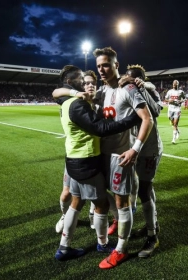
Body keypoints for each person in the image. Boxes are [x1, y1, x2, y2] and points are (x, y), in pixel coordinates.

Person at [53, 65, 140, 262]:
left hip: (74, 159)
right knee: (100, 204)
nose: (83, 81)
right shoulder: (76, 104)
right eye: (79, 79)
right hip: (86, 161)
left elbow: (56, 92)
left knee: (76, 203)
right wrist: (130, 120)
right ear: (70, 82)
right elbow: (100, 128)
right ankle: (102, 244)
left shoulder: (65, 102)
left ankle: (64, 247)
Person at [93, 47, 154, 269]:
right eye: (99, 65)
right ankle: (119, 228)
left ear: (116, 65)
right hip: (103, 154)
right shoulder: (103, 91)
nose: (102, 69)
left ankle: (121, 249)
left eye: (106, 64)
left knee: (121, 202)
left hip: (121, 155)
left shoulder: (127, 87)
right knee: (106, 197)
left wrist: (135, 149)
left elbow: (147, 119)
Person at [53, 70, 118, 234]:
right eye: (86, 82)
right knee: (67, 194)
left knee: (98, 191)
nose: (89, 85)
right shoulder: (74, 100)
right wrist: (75, 92)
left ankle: (100, 218)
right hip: (76, 155)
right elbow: (55, 92)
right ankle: (64, 215)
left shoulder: (101, 97)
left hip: (96, 154)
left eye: (92, 83)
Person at [121, 64, 163, 258]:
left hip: (149, 150)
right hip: (133, 149)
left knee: (145, 189)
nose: (129, 81)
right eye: (127, 77)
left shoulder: (151, 92)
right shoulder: (126, 92)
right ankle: (151, 225)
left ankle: (152, 237)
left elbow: (154, 112)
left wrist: (143, 88)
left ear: (141, 79)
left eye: (133, 79)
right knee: (144, 189)